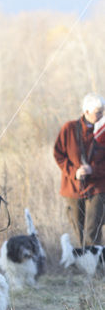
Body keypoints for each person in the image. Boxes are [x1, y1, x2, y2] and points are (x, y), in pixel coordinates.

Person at [54, 92, 105, 247]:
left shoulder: (103, 130)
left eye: (103, 111)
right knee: (78, 228)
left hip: (97, 187)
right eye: (98, 112)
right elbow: (58, 154)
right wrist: (74, 172)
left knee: (92, 229)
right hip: (73, 187)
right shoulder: (69, 128)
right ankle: (84, 263)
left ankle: (95, 267)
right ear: (86, 112)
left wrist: (93, 170)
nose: (102, 115)